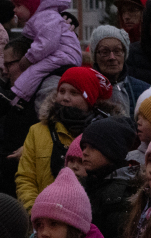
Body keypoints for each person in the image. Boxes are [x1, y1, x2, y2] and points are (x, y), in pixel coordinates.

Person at [15, 66, 122, 209]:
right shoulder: (37, 131)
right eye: (62, 91)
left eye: (74, 93)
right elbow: (25, 178)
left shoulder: (104, 135)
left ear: (89, 99)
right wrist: (35, 211)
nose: (65, 98)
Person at [6, 0, 82, 106]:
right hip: (64, 54)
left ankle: (17, 97)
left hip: (64, 55)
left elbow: (46, 43)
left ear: (32, 5)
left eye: (18, 5)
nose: (14, 10)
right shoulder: (41, 18)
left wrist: (28, 58)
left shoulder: (45, 17)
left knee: (34, 71)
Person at [88, 24, 150, 113]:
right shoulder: (86, 90)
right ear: (95, 57)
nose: (112, 57)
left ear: (125, 54)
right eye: (105, 52)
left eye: (117, 51)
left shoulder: (144, 91)